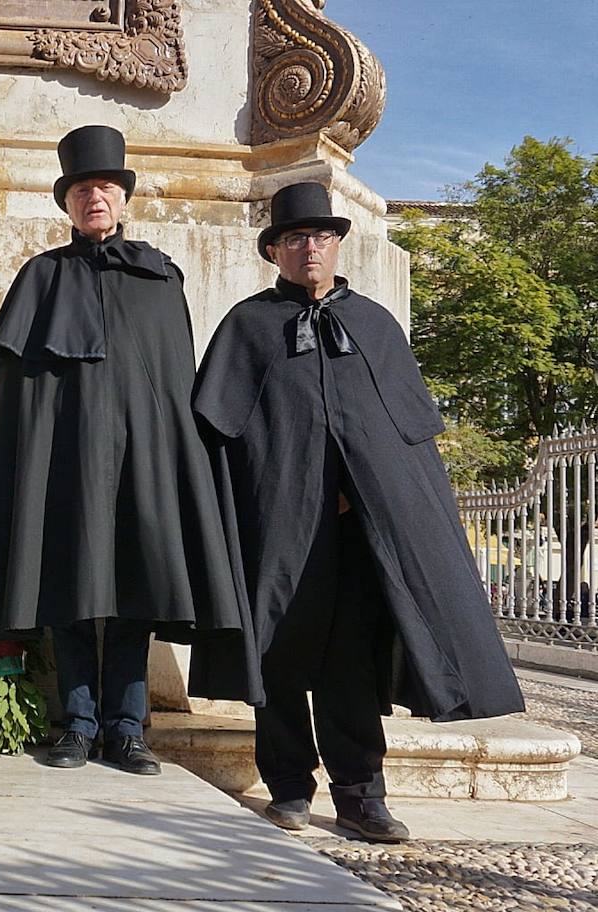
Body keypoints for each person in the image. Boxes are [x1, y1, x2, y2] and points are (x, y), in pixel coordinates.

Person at [190, 181, 525, 842]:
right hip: (273, 531)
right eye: (293, 238)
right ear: (275, 251)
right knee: (277, 654)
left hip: (350, 537)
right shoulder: (248, 327)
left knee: (348, 664)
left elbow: (401, 443)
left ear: (338, 243)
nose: (308, 247)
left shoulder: (374, 325)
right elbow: (219, 438)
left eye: (319, 236)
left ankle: (360, 797)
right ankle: (288, 788)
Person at [0, 125, 251, 775]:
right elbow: (21, 395)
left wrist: (172, 463)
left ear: (123, 197)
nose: (95, 199)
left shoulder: (159, 277)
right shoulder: (41, 277)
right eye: (83, 190)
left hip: (141, 465)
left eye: (106, 188)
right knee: (70, 593)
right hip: (65, 465)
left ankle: (127, 729)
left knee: (137, 594)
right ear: (68, 203)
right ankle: (77, 726)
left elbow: (173, 380)